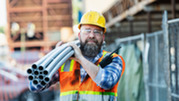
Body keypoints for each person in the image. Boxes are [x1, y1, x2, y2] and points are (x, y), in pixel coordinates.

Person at [29, 10, 125, 101]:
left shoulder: (114, 59)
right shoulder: (66, 61)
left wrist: (80, 58)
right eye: (87, 31)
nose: (91, 35)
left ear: (103, 37)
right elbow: (35, 86)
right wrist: (54, 58)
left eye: (96, 32)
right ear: (79, 36)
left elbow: (106, 82)